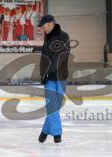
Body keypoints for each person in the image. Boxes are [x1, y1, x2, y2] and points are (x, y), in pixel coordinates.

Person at [38, 15, 70, 143]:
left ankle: (45, 131)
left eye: (44, 26)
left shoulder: (64, 36)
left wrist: (48, 72)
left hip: (61, 76)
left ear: (50, 24)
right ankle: (57, 134)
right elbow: (44, 57)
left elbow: (60, 56)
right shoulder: (47, 37)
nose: (43, 29)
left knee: (56, 106)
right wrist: (43, 74)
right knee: (52, 105)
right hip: (49, 78)